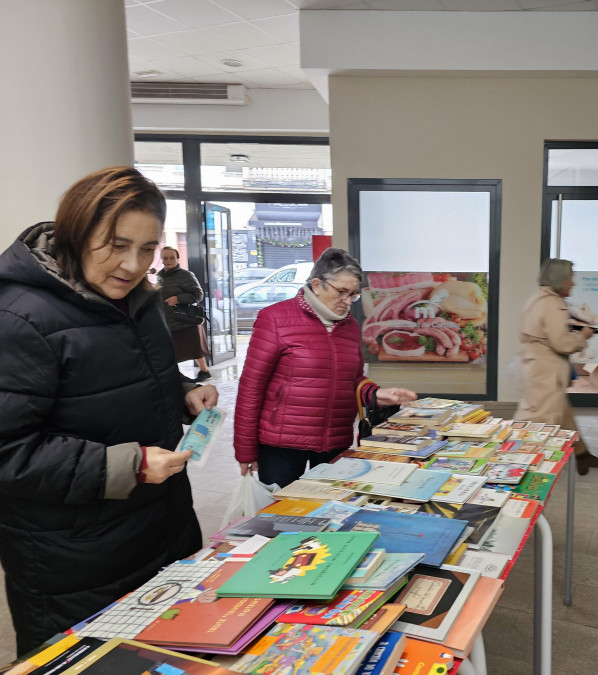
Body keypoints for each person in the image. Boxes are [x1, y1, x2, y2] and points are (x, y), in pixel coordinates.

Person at [0, 166, 218, 655]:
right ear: (77, 231)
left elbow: (129, 379)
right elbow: (9, 452)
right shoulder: (18, 317)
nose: (132, 264)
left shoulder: (138, 301)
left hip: (162, 525)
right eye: (116, 245)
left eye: (146, 249)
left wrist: (183, 392)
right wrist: (131, 465)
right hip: (75, 555)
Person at [233, 247, 417, 487]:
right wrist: (245, 449)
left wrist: (375, 393)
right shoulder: (275, 318)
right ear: (318, 284)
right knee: (279, 518)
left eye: (353, 295)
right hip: (283, 445)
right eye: (342, 292)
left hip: (335, 441)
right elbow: (251, 386)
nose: (347, 301)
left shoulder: (349, 326)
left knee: (331, 516)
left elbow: (353, 378)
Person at [515, 258, 598, 476]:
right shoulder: (552, 304)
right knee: (539, 422)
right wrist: (583, 335)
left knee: (561, 414)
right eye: (571, 278)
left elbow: (543, 333)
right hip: (547, 371)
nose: (573, 283)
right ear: (560, 280)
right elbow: (562, 344)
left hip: (536, 368)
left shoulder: (536, 299)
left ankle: (582, 455)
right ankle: (521, 469)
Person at [157, 245, 212, 381]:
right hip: (168, 319)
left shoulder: (185, 275)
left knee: (194, 348)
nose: (168, 260)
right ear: (161, 259)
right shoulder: (160, 276)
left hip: (184, 319)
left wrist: (178, 298)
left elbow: (198, 294)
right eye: (165, 258)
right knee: (172, 350)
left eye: (172, 258)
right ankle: (176, 374)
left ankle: (204, 371)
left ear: (177, 258)